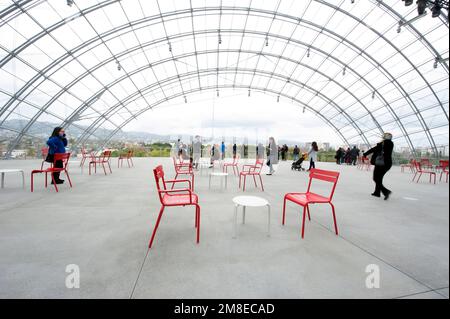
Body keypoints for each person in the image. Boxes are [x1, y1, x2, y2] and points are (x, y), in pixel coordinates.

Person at [363, 133, 394, 200]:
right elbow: (375, 149)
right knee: (378, 178)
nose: (383, 137)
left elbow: (374, 149)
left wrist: (365, 154)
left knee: (376, 178)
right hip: (383, 163)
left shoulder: (386, 143)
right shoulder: (389, 143)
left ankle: (386, 191)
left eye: (384, 136)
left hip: (383, 164)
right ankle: (377, 192)